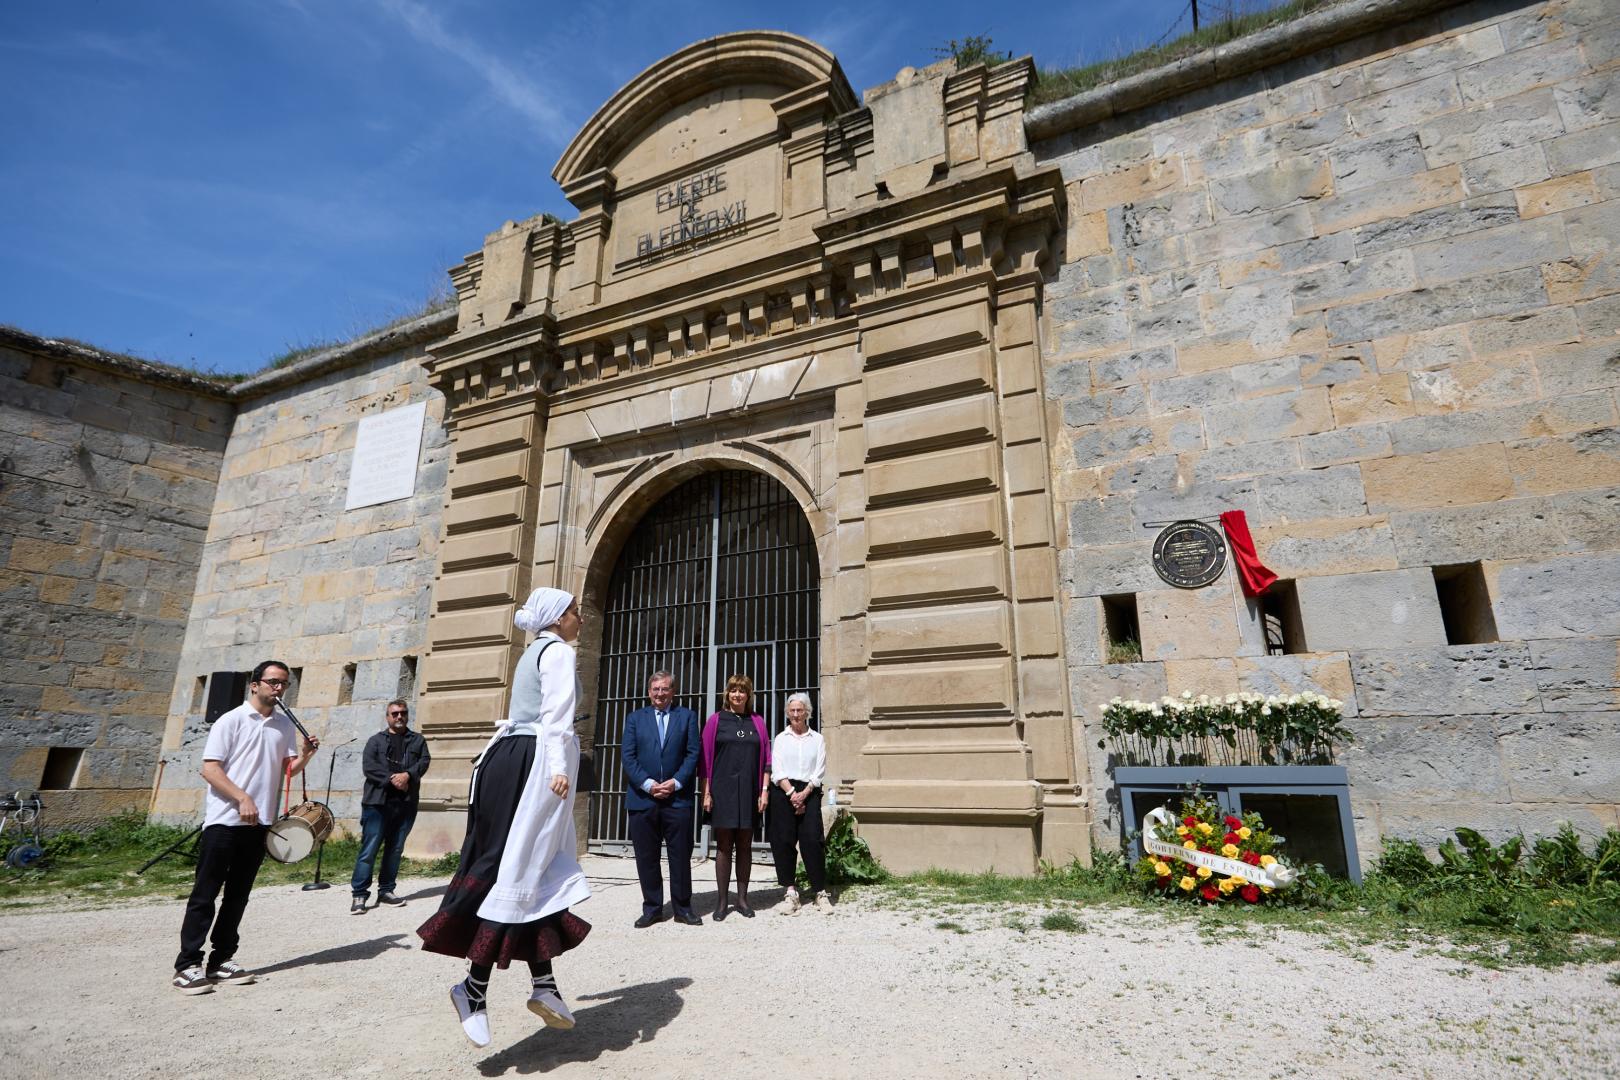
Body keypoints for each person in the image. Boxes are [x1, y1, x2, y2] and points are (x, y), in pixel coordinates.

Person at [417, 587, 592, 1048]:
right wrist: (557, 768)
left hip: (509, 759)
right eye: (576, 611)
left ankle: (544, 984)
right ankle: (473, 989)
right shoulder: (557, 651)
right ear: (558, 617)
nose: (581, 618)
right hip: (532, 764)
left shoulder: (531, 650)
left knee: (528, 872)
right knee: (515, 869)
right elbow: (555, 716)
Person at [172, 660, 319, 994]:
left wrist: (306, 754)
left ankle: (222, 959)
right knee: (205, 895)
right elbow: (210, 770)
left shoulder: (283, 726)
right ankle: (187, 965)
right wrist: (242, 798)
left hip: (260, 823)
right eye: (273, 682)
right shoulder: (231, 720)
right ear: (255, 685)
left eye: (284, 683)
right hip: (225, 820)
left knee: (238, 896)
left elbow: (287, 770)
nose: (279, 688)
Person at [621, 670, 702, 927]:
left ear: (673, 691)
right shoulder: (635, 719)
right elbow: (628, 757)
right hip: (643, 799)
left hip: (677, 800)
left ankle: (683, 908)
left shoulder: (687, 717)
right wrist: (648, 785)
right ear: (649, 692)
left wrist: (676, 783)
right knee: (647, 857)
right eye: (655, 689)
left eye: (664, 689)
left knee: (680, 857)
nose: (659, 693)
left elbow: (693, 754)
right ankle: (653, 908)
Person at [699, 674, 770, 921]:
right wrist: (706, 793)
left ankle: (742, 899)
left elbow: (767, 761)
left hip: (750, 792)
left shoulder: (758, 722)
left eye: (742, 691)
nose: (737, 695)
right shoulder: (716, 721)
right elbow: (705, 761)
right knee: (723, 847)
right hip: (722, 792)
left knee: (745, 847)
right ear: (727, 694)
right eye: (733, 691)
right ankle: (721, 902)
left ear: (749, 695)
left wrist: (764, 791)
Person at [350, 698, 431, 913]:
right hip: (377, 804)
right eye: (394, 713)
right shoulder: (375, 741)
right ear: (388, 717)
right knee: (369, 850)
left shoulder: (417, 740)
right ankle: (359, 895)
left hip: (405, 804)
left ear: (407, 715)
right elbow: (369, 767)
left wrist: (408, 775)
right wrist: (394, 780)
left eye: (403, 713)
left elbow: (423, 762)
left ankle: (386, 890)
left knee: (395, 850)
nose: (399, 717)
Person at [768, 692, 832, 915]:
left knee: (813, 841)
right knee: (784, 841)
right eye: (792, 710)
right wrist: (792, 794)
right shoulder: (780, 739)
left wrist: (803, 794)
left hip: (809, 791)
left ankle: (819, 892)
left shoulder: (818, 739)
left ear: (808, 712)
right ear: (787, 713)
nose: (796, 714)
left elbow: (819, 771)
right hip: (784, 792)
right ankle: (791, 892)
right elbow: (777, 771)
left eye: (800, 710)